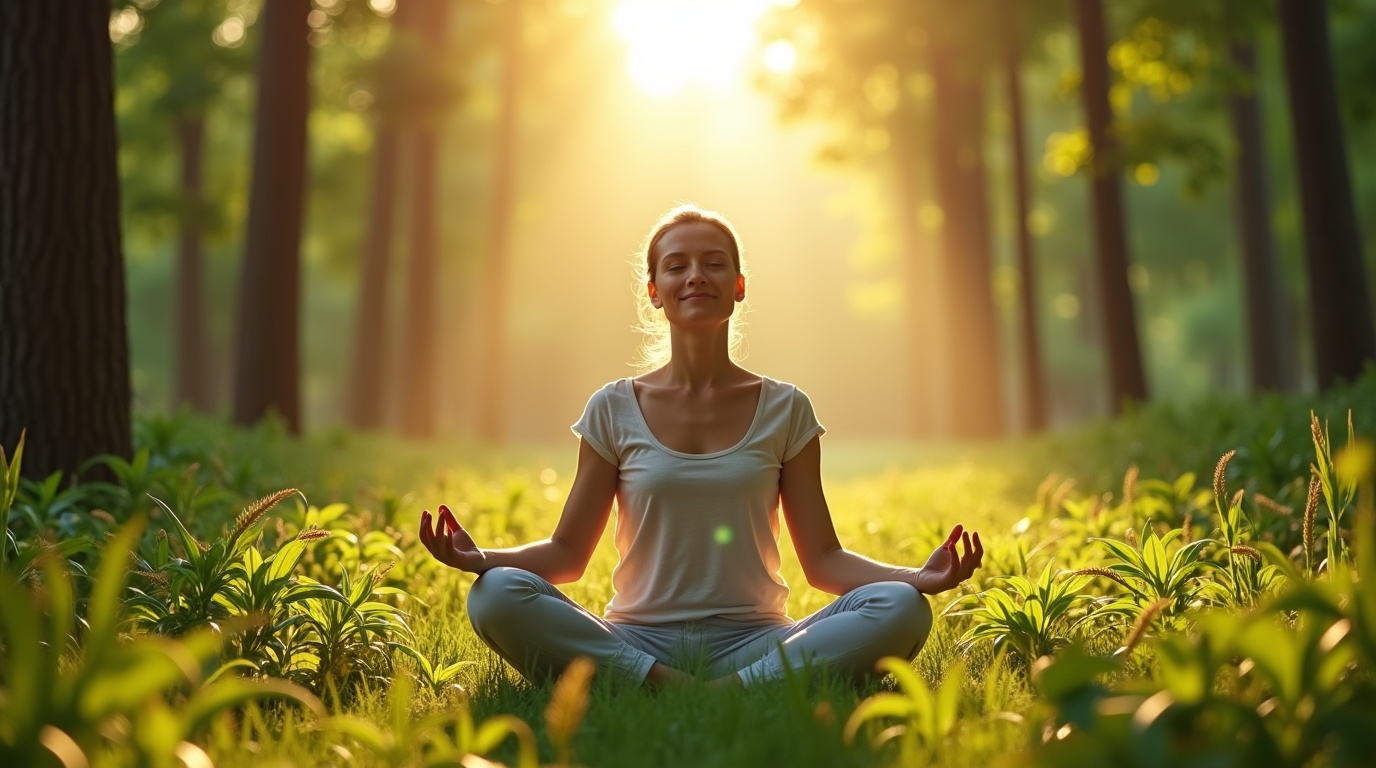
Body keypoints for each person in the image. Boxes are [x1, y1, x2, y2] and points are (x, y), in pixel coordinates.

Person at [419, 204, 983, 688]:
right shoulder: (612, 408)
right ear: (654, 293)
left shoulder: (786, 408)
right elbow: (567, 556)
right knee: (495, 595)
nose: (696, 275)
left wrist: (917, 579)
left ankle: (722, 691)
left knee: (900, 609)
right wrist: (481, 559)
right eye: (676, 266)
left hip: (758, 642)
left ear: (738, 287)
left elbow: (824, 562)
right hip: (636, 640)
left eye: (714, 264)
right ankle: (670, 684)